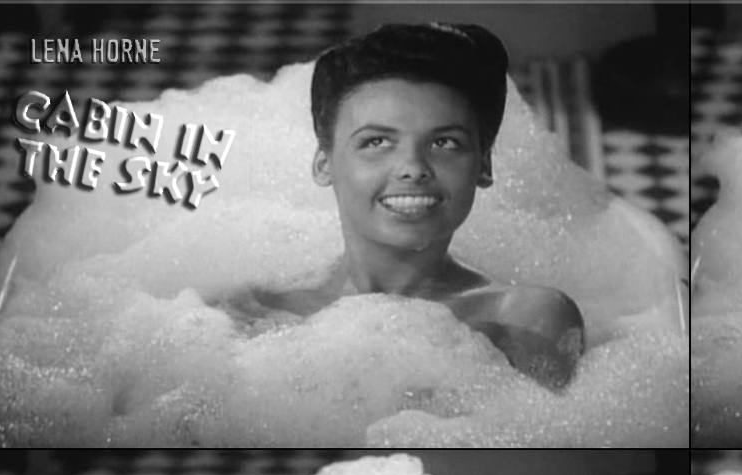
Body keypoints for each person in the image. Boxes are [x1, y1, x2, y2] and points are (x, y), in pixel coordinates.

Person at [243, 23, 584, 390]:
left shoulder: (526, 322)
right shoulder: (256, 319)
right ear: (324, 164)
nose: (413, 168)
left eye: (444, 143)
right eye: (377, 142)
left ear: (483, 165)